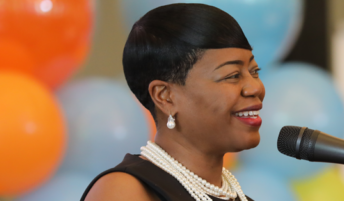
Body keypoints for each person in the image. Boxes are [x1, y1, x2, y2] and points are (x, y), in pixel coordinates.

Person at [81, 3, 263, 201]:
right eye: (233, 75)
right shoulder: (126, 192)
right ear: (165, 96)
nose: (255, 88)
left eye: (254, 72)